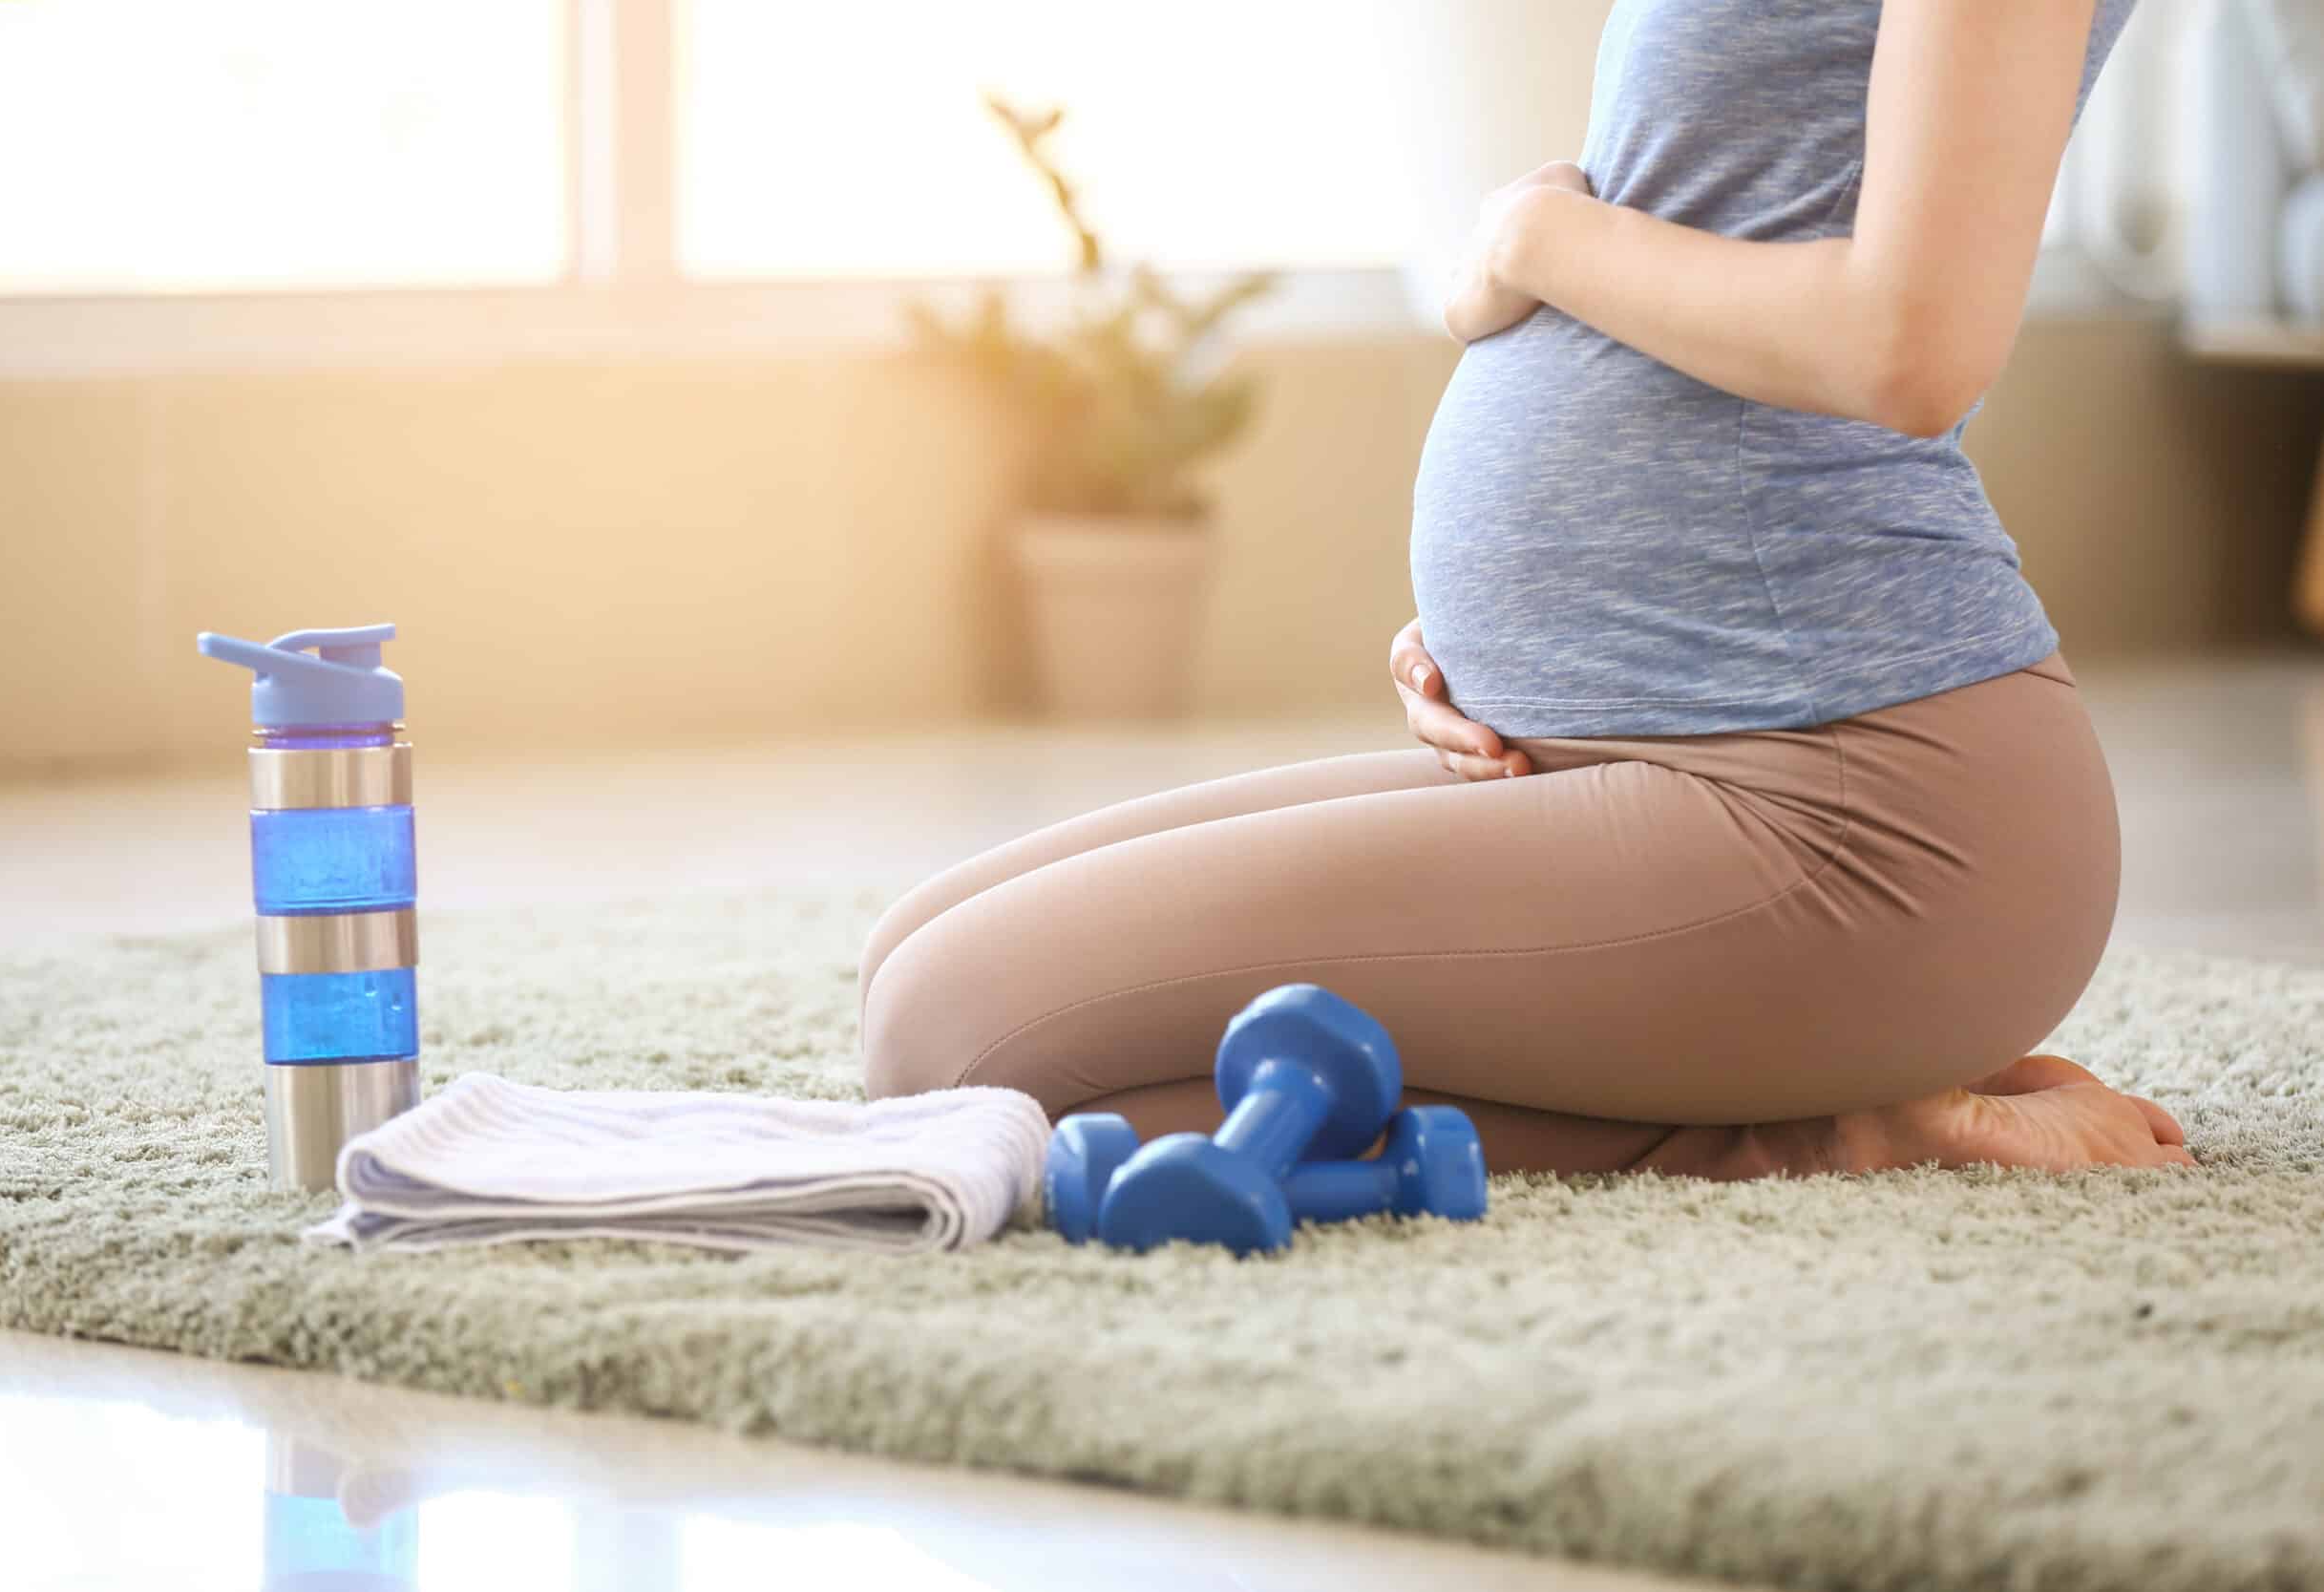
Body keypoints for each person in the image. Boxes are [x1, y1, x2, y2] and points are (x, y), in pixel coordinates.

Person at [858, 0, 2195, 1178]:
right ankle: (1803, 1078)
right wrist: (1536, 632)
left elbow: (1913, 343)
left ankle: (1831, 1127)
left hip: (1861, 813)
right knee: (911, 962)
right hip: (1635, 742)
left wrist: (1535, 235)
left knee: (955, 1041)